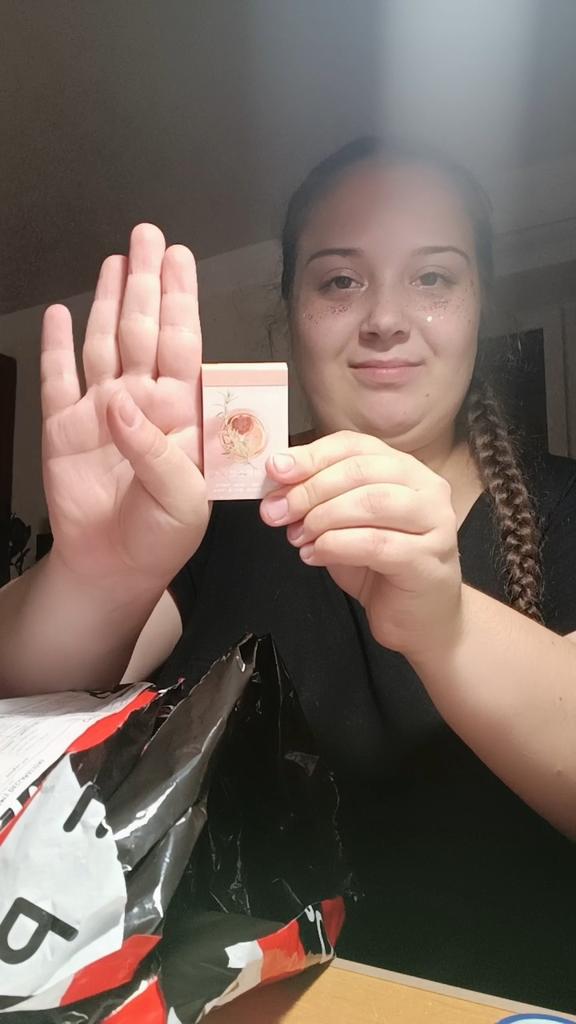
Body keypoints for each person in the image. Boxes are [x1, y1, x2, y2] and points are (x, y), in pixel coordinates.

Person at [2, 136, 576, 1007]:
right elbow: (20, 698)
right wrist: (95, 573)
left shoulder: (563, 505)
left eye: (433, 277)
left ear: (479, 305)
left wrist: (445, 625)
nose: (385, 318)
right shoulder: (215, 507)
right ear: (291, 308)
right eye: (340, 280)